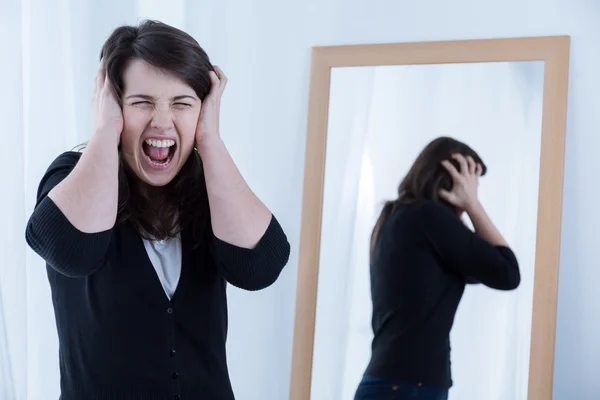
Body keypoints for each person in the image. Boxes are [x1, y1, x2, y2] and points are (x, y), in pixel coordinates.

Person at [25, 20, 290, 400]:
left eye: (182, 103)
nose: (162, 121)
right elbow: (71, 250)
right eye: (141, 102)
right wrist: (104, 131)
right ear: (112, 103)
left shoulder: (208, 182)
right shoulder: (73, 172)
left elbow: (260, 267)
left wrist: (209, 139)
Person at [353, 137, 520, 400]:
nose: (473, 194)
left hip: (393, 382)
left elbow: (486, 267)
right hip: (408, 387)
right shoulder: (428, 217)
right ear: (455, 181)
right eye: (473, 185)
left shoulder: (397, 219)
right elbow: (508, 273)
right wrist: (473, 206)